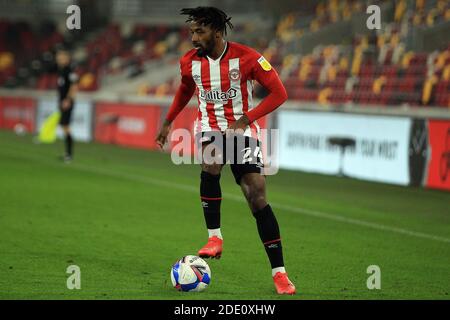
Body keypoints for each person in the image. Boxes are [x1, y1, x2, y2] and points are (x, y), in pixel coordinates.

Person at [156, 7, 295, 295]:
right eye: (192, 31)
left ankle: (280, 274)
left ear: (217, 32)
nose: (193, 37)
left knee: (257, 196)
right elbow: (185, 89)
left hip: (243, 132)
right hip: (209, 128)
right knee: (212, 162)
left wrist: (246, 119)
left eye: (200, 31)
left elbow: (280, 93)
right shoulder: (189, 63)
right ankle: (214, 238)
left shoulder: (248, 58)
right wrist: (168, 122)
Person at [55, 48, 78, 162]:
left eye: (61, 58)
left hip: (67, 103)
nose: (59, 60)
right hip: (63, 102)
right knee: (64, 126)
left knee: (66, 126)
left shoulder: (70, 71)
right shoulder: (62, 71)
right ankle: (67, 153)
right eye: (58, 58)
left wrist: (68, 100)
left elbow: (74, 86)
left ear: (67, 59)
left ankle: (69, 154)